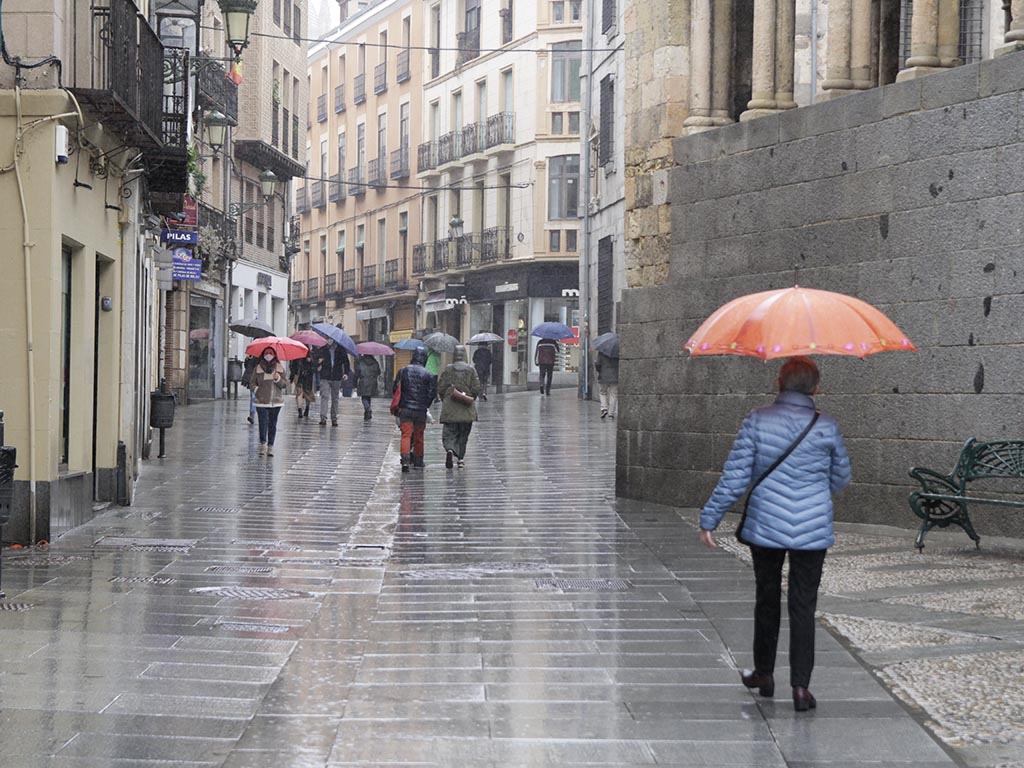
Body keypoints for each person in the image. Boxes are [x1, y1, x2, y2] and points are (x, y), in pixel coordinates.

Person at [699, 357, 851, 712]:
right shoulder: (826, 425)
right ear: (816, 388)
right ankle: (801, 688)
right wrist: (814, 487)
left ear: (778, 384)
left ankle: (764, 674)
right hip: (812, 528)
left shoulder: (757, 419)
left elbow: (735, 477)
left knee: (766, 598)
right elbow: (841, 479)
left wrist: (710, 518)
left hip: (765, 526)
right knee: (803, 604)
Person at [437, 345, 481, 469]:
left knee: (449, 433)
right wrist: (470, 398)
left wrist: (444, 399)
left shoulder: (448, 369)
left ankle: (450, 450)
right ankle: (460, 458)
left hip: (450, 407)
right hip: (466, 408)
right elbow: (476, 387)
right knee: (463, 434)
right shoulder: (471, 370)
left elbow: (441, 387)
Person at [394, 347, 437, 472]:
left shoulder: (403, 371)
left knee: (406, 435)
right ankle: (418, 461)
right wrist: (425, 405)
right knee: (419, 436)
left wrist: (401, 403)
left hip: (405, 409)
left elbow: (395, 388)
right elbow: (432, 393)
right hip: (420, 410)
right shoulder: (428, 374)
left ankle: (405, 460)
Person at [249, 346, 288, 456]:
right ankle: (263, 444)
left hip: (276, 402)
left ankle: (270, 446)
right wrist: (257, 390)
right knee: (263, 422)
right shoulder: (258, 368)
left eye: (271, 353)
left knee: (272, 424)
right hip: (261, 401)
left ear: (275, 355)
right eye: (266, 353)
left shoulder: (279, 368)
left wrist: (278, 379)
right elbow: (252, 383)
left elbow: (284, 385)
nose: (268, 355)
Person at [316, 340, 351, 426]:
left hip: (336, 376)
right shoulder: (323, 349)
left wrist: (346, 373)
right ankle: (323, 417)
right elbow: (315, 362)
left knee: (335, 398)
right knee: (325, 396)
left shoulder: (341, 349)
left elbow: (346, 362)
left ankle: (334, 418)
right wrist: (318, 362)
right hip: (325, 376)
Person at [289, 350, 316, 418]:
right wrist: (291, 378)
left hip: (308, 377)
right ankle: (300, 410)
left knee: (307, 393)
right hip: (299, 376)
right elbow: (293, 367)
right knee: (299, 392)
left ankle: (307, 407)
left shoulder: (310, 354)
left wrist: (310, 361)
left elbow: (314, 367)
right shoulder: (296, 355)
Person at [355, 353, 382, 420]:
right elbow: (379, 372)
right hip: (372, 381)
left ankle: (368, 409)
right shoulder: (375, 362)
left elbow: (357, 372)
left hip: (363, 381)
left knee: (364, 397)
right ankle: (367, 413)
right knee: (368, 397)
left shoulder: (360, 362)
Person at [595, 351, 619, 419]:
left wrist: (599, 370)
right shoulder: (617, 352)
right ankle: (611, 413)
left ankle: (604, 408)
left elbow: (597, 364)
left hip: (603, 376)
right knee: (613, 394)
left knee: (603, 392)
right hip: (615, 376)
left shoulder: (602, 352)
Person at [241, 354, 259, 425]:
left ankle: (262, 413)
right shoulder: (251, 356)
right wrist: (248, 359)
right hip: (252, 379)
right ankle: (252, 414)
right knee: (253, 396)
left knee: (260, 397)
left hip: (261, 380)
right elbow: (247, 367)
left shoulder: (263, 356)